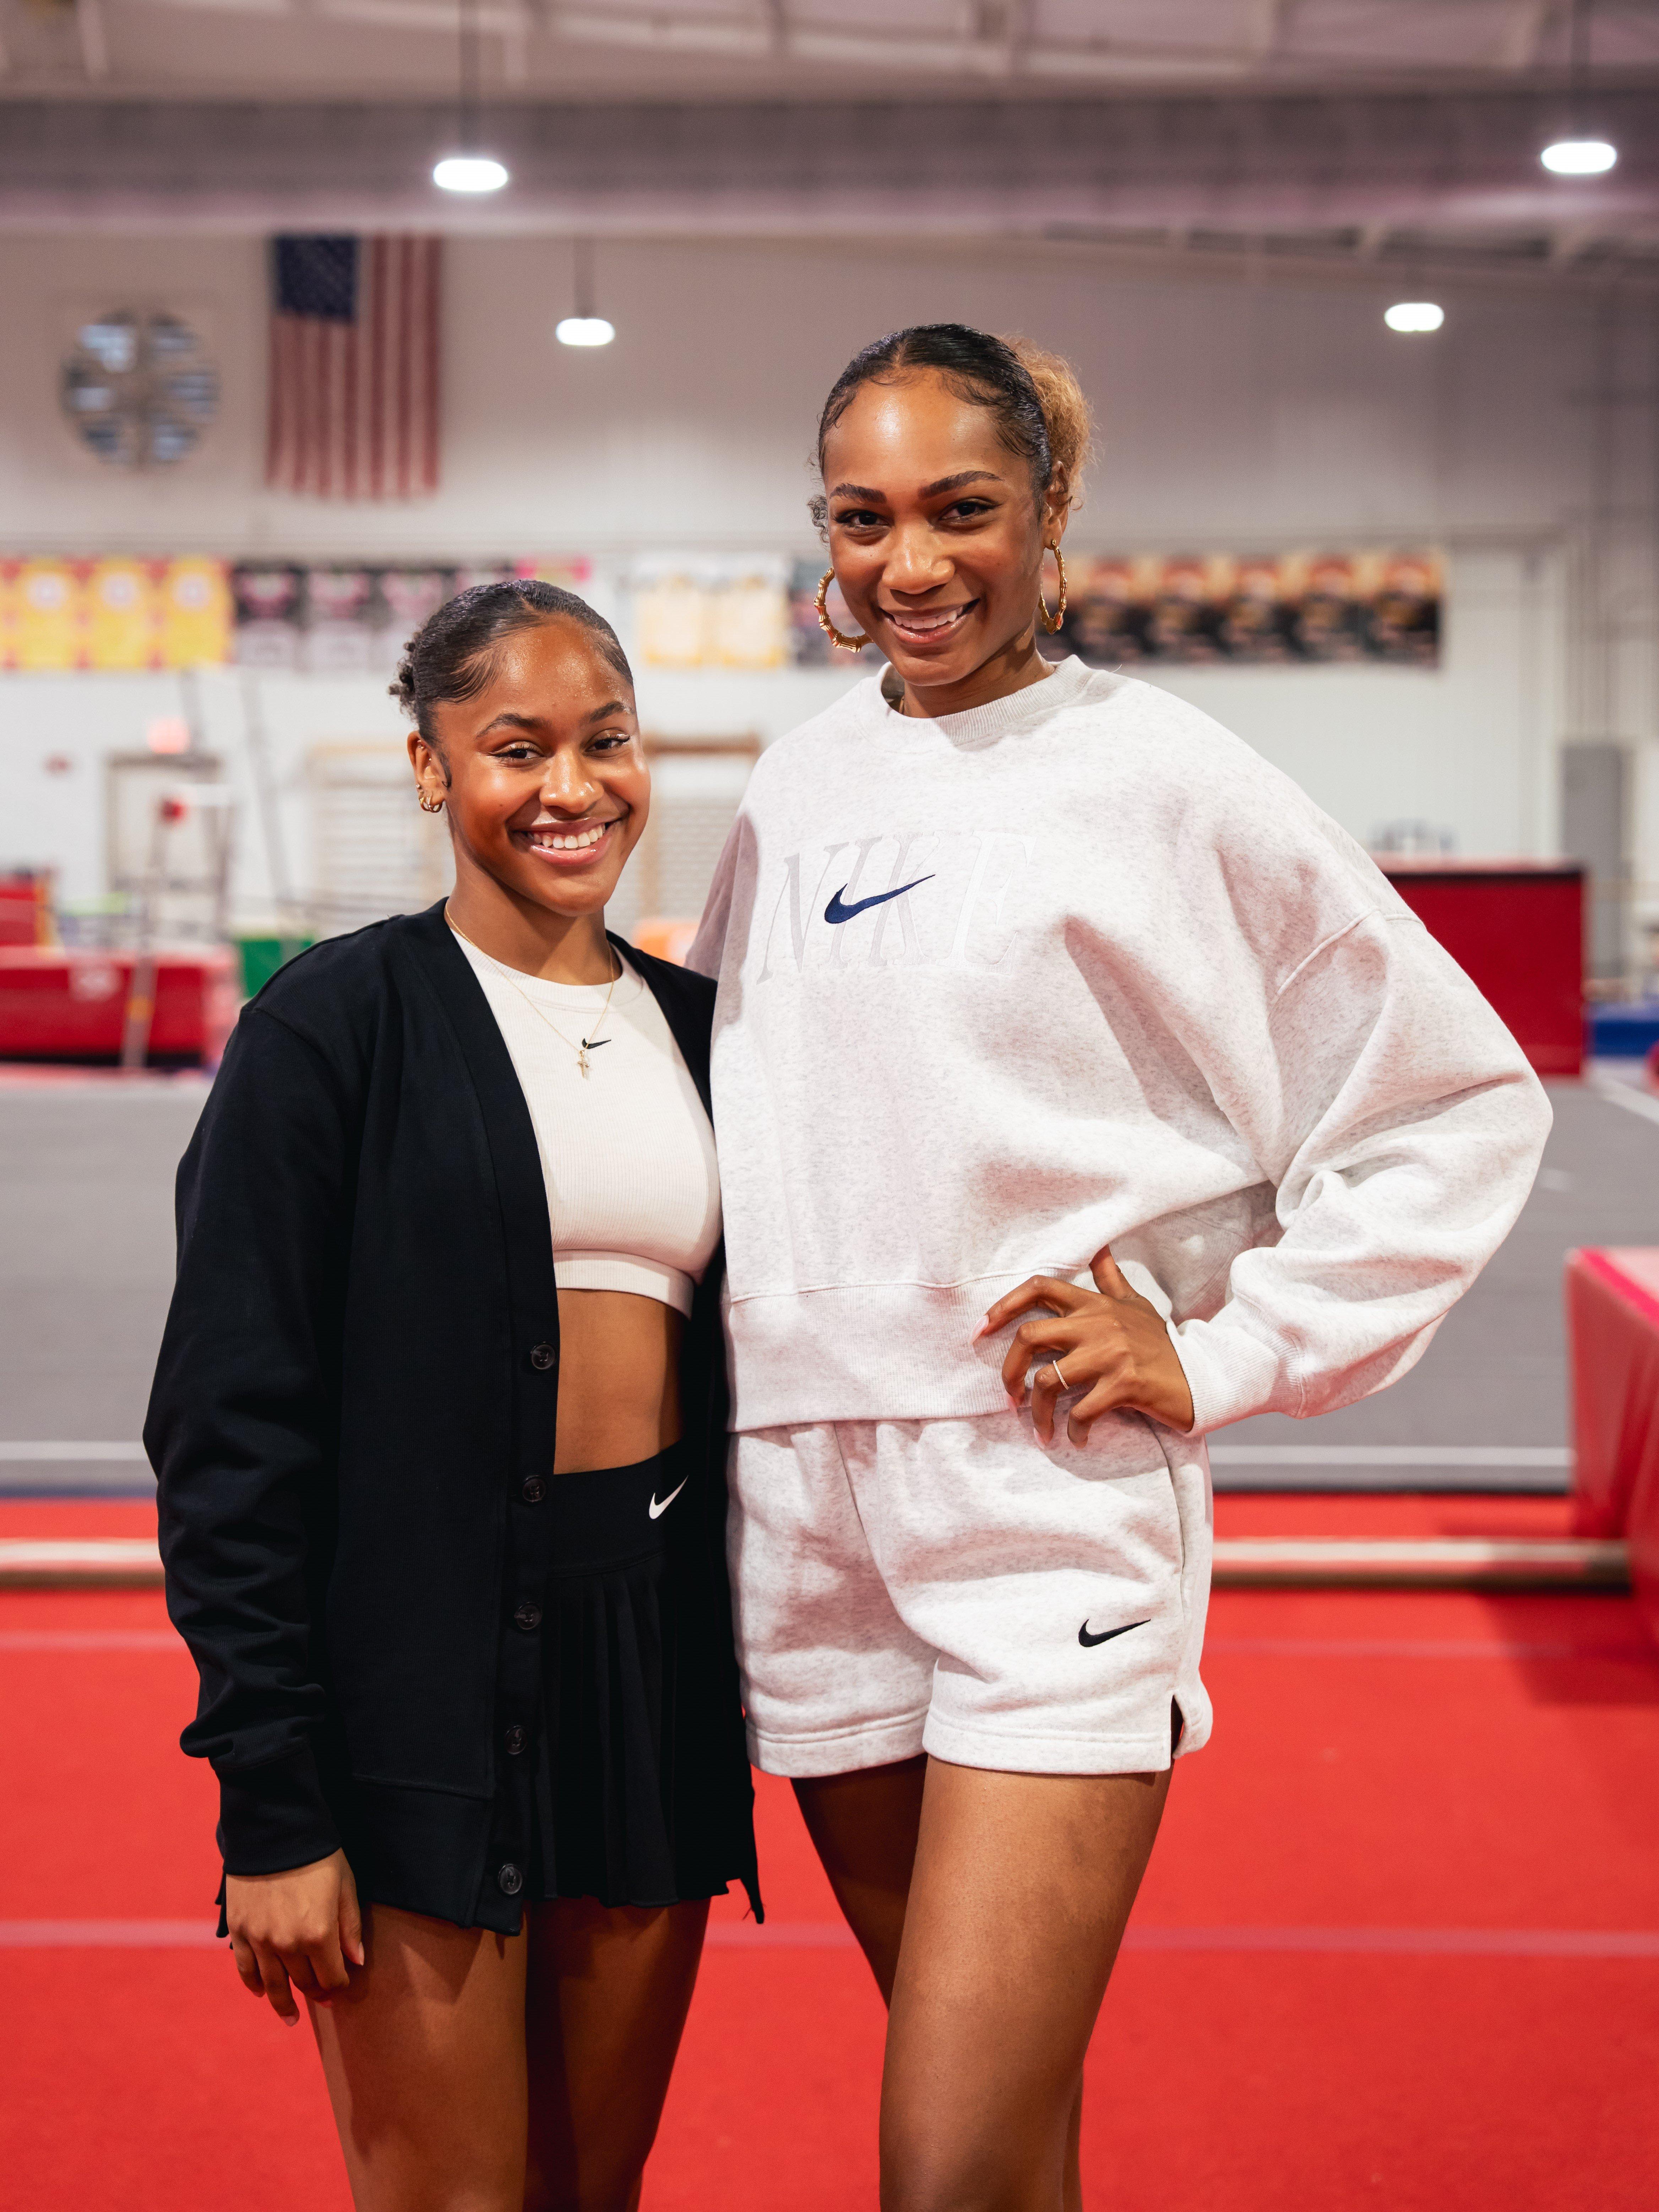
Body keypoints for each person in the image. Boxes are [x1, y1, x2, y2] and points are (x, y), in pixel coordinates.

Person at [689, 323, 1549, 2212]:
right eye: (863, 518)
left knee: (945, 2165)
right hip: (807, 1520)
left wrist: (1231, 1345)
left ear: (1056, 510)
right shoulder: (795, 787)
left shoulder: (1163, 775)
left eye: (961, 510)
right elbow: (741, 1124)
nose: (908, 565)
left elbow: (1458, 1098)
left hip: (1040, 1505)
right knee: (1003, 2145)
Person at [146, 580, 759, 2212]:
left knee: (588, 2194)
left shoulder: (708, 1036)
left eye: (606, 740)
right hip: (414, 1681)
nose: (573, 786)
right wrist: (272, 1803)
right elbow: (227, 1434)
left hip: (647, 1673)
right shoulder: (330, 1031)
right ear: (429, 769)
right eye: (516, 746)